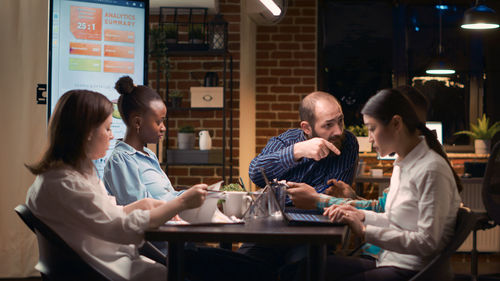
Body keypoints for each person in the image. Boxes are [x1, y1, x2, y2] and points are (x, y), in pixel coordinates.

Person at [25, 89, 275, 281]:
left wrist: (142, 204)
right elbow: (121, 228)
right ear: (87, 132)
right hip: (115, 270)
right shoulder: (65, 184)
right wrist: (179, 203)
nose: (112, 136)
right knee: (242, 270)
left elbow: (107, 213)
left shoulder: (71, 176)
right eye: (108, 128)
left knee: (237, 266)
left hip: (120, 260)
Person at [322, 88, 462, 281]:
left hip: (413, 272)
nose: (369, 138)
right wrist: (361, 215)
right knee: (310, 267)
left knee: (315, 272)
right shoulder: (402, 164)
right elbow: (397, 221)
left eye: (372, 128)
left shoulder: (431, 169)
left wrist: (364, 231)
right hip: (390, 261)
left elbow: (428, 242)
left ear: (396, 123)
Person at [248, 91, 359, 208]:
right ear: (307, 128)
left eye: (340, 120)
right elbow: (256, 174)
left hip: (325, 219)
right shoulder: (286, 141)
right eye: (328, 125)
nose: (339, 131)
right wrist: (296, 151)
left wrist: (278, 195)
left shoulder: (347, 142)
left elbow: (334, 195)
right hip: (280, 220)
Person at [103, 76, 179, 206]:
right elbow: (140, 210)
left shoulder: (149, 155)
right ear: (137, 122)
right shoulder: (120, 160)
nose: (163, 128)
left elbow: (169, 197)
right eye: (158, 122)